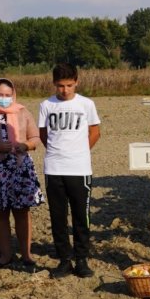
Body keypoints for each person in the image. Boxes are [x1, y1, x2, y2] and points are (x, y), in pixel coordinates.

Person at [38, 63, 101, 278]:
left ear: (77, 82)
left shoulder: (86, 104)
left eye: (69, 85)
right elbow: (43, 134)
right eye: (60, 86)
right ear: (54, 84)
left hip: (79, 168)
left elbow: (95, 132)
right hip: (54, 168)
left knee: (81, 216)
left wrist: (79, 151)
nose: (64, 90)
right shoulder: (46, 105)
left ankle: (81, 259)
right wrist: (58, 153)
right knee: (58, 216)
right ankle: (64, 260)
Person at [0, 78, 43, 272]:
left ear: (13, 95)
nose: (3, 98)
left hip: (21, 168)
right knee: (0, 213)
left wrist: (25, 145)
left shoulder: (23, 112)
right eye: (0, 95)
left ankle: (26, 254)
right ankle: (5, 254)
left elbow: (36, 137)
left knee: (22, 212)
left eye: (7, 95)